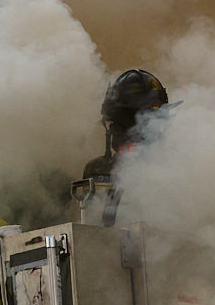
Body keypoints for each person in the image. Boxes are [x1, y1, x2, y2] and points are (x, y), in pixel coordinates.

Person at [75, 69, 175, 226]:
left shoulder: (174, 168)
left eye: (122, 125)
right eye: (116, 125)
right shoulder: (99, 170)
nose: (116, 133)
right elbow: (92, 229)